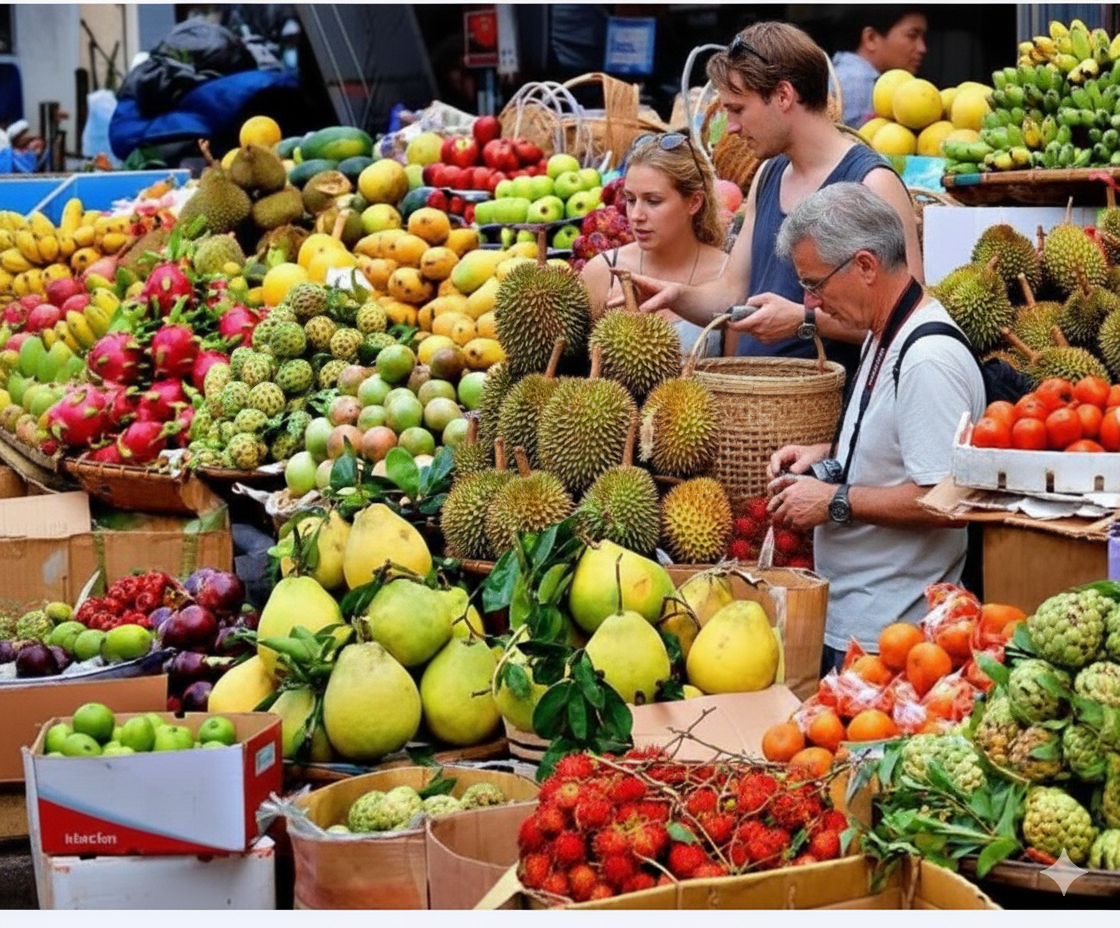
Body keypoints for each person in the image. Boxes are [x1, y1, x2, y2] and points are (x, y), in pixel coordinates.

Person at [613, 21, 923, 375]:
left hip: (823, 410)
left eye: (738, 109)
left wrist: (804, 320)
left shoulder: (873, 183)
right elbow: (733, 291)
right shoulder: (768, 175)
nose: (729, 126)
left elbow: (907, 316)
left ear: (783, 96)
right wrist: (675, 295)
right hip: (758, 411)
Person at [764, 182, 985, 674]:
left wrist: (834, 501)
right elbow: (900, 442)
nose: (811, 301)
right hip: (860, 624)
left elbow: (950, 501)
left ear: (865, 266)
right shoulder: (882, 334)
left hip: (897, 641)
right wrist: (824, 453)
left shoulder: (927, 357)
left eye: (816, 283)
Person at [581, 131, 729, 357]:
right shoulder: (601, 272)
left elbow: (737, 373)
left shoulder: (728, 275)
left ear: (694, 202)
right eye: (630, 200)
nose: (636, 215)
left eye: (653, 201)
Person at [832, 7, 929, 129]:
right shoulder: (859, 83)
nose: (922, 48)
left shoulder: (841, 74)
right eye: (912, 36)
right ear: (871, 38)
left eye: (923, 38)